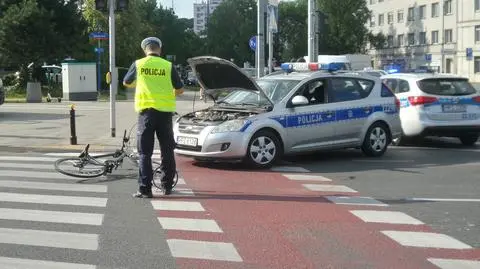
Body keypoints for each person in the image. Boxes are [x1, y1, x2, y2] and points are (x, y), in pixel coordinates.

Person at [123, 37, 184, 198]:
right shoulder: (168, 65)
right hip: (165, 115)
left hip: (146, 114)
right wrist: (169, 92)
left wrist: (142, 83)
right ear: (160, 49)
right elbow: (180, 89)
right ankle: (167, 187)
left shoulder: (139, 64)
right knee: (167, 150)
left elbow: (126, 82)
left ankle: (145, 189)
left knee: (145, 153)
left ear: (145, 50)